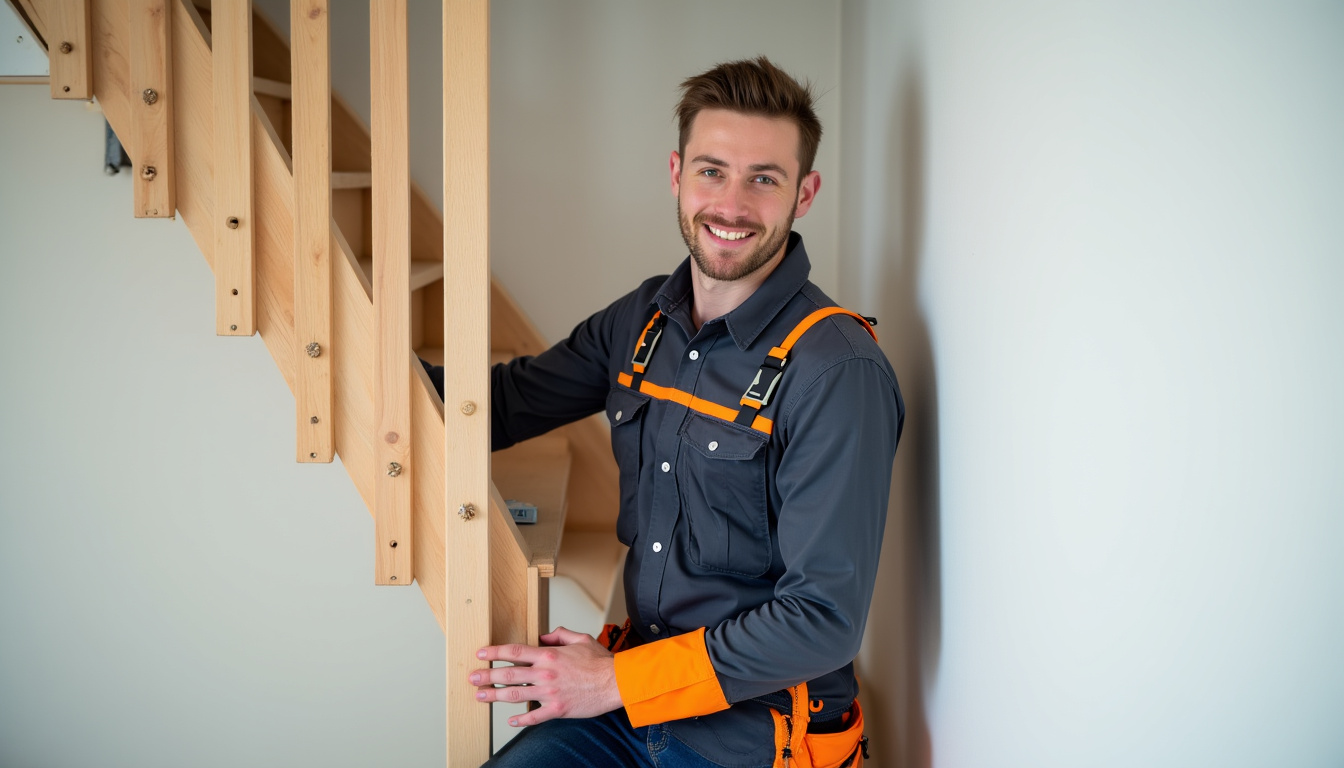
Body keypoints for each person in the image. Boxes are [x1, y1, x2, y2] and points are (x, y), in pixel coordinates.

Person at [422, 56, 904, 768]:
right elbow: (498, 406)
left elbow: (822, 622)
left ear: (805, 193)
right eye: (713, 171)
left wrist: (611, 679)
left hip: (758, 736)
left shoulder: (836, 370)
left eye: (763, 179)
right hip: (626, 710)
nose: (732, 204)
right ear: (676, 174)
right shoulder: (642, 323)